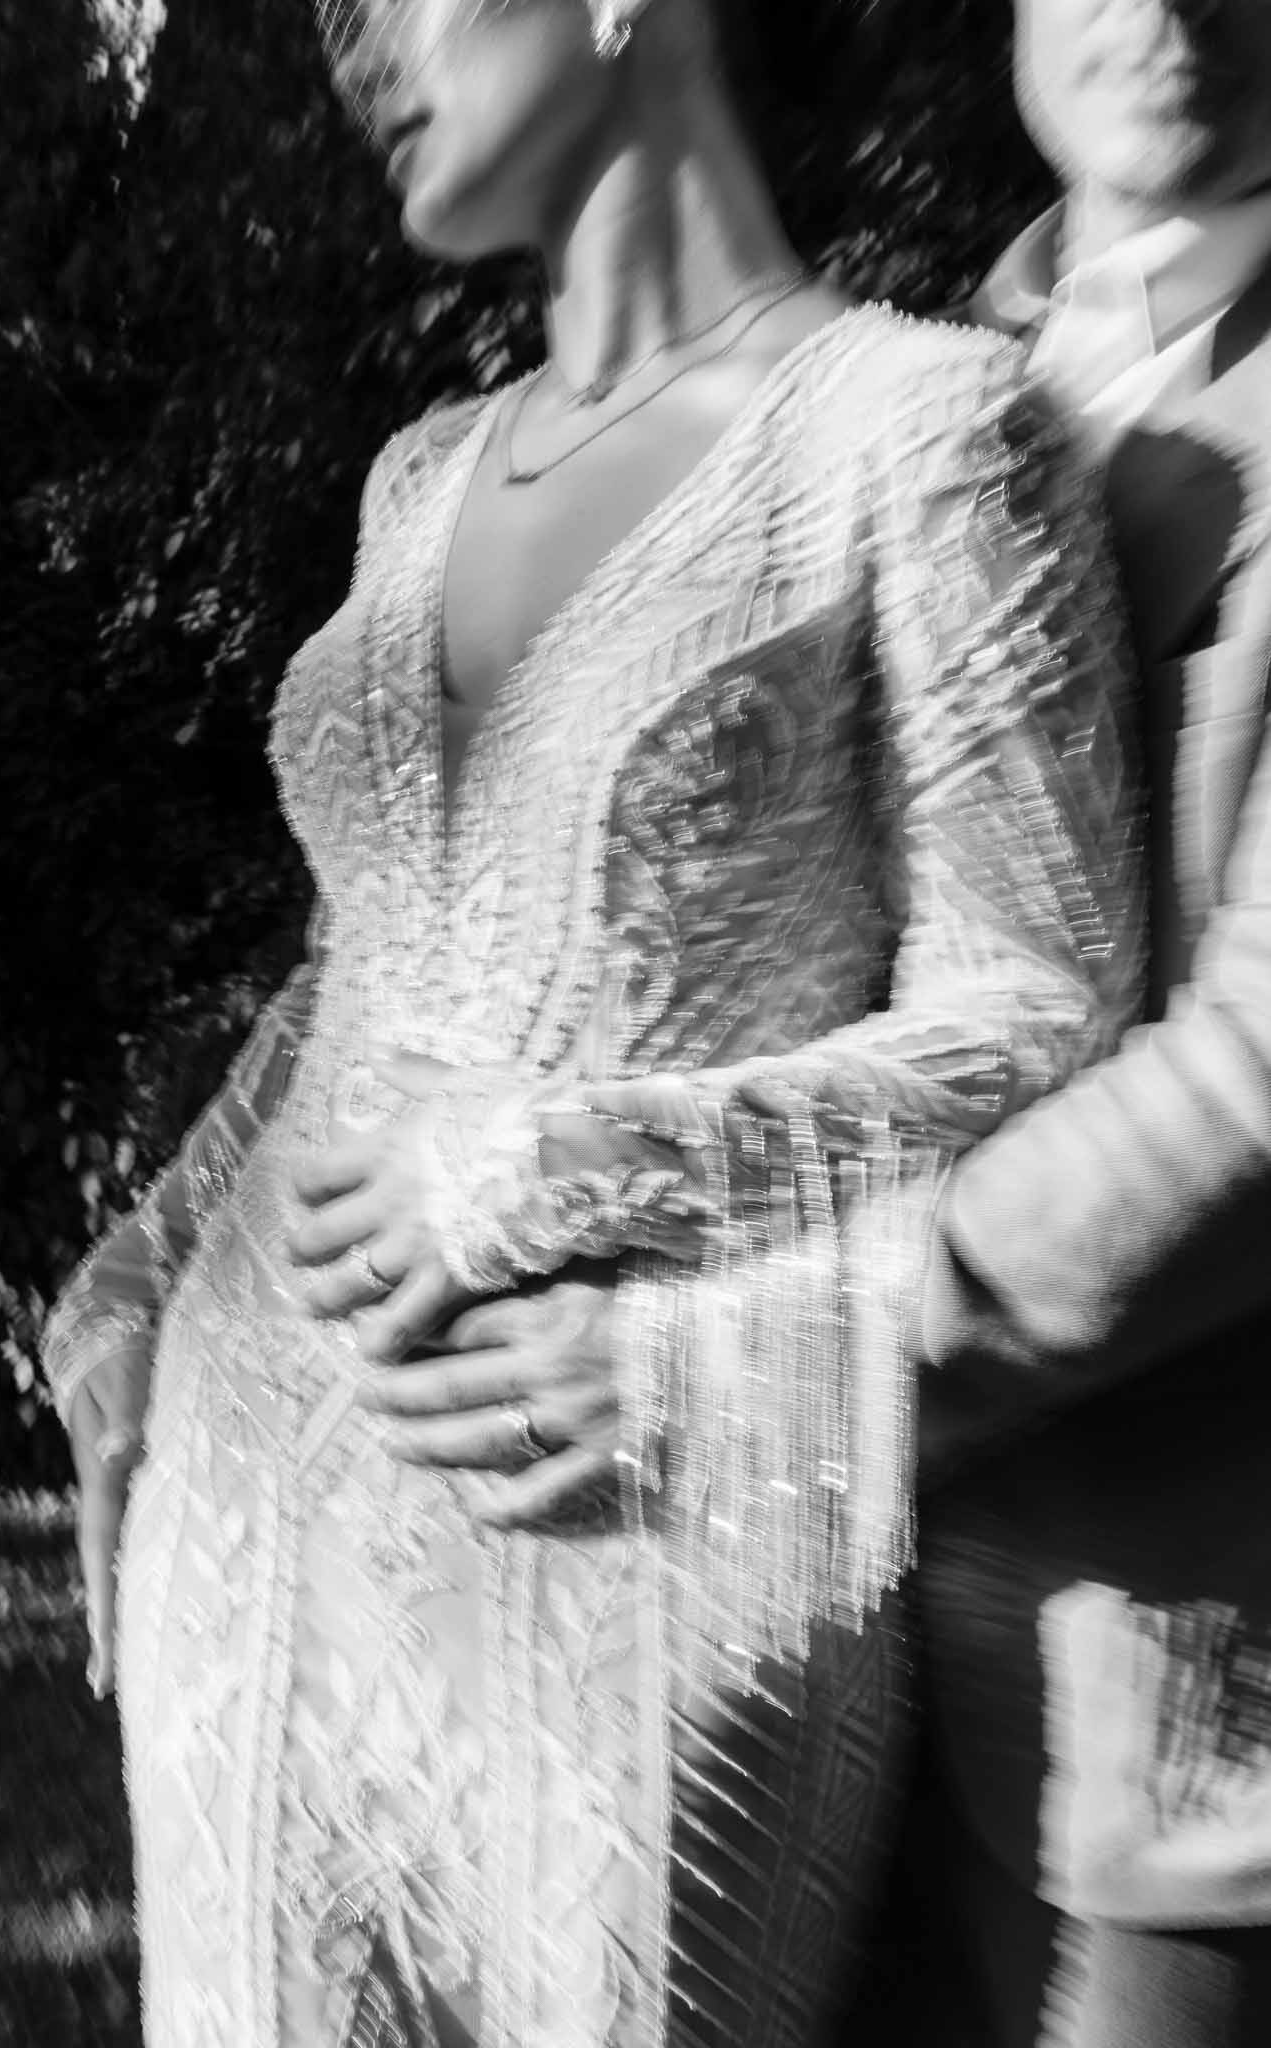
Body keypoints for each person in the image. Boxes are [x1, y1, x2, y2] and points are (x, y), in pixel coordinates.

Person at [42, 2, 1143, 2043]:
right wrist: (129, 1271)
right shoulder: (420, 475)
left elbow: (1039, 1013)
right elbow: (362, 967)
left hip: (635, 1523)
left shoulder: (921, 427)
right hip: (246, 1521)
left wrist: (554, 1162)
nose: (345, 49)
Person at [841, 3, 1271, 2045]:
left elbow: (1249, 1088)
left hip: (1184, 1716)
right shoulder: (907, 389)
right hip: (813, 1676)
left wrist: (778, 1365)